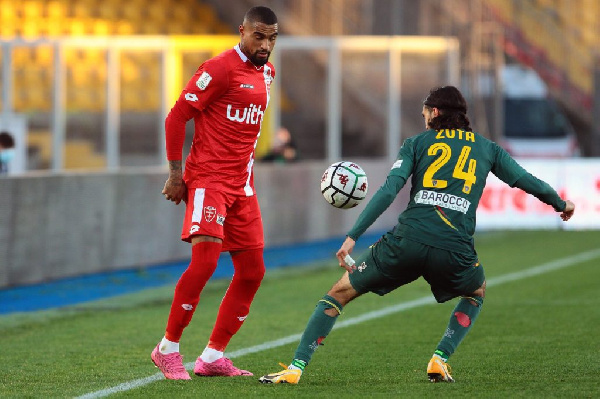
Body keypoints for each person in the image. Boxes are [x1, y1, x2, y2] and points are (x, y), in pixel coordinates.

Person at [259, 86, 575, 384]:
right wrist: (560, 203)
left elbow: (389, 189)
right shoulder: (488, 149)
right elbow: (525, 180)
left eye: (425, 111)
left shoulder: (416, 143)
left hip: (405, 243)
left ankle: (296, 367)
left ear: (435, 112)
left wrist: (353, 235)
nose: (423, 117)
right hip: (454, 250)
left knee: (338, 294)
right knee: (476, 292)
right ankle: (440, 357)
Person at [151, 6, 278, 380]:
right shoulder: (219, 69)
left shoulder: (266, 73)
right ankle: (168, 348)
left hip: (243, 184)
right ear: (242, 31)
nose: (266, 44)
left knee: (253, 272)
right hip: (208, 180)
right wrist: (176, 174)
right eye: (259, 35)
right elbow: (177, 116)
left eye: (272, 37)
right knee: (205, 263)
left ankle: (211, 357)